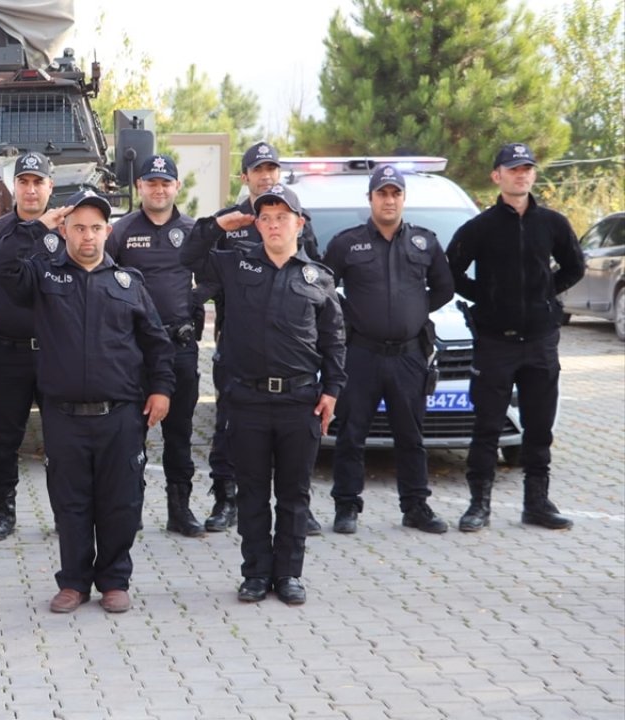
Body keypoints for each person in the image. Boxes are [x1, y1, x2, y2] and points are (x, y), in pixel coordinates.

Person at [0, 189, 175, 614]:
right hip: (64, 415)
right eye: (78, 227)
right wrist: (37, 227)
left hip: (121, 415)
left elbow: (157, 344)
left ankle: (114, 580)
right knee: (70, 503)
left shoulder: (128, 284)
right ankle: (73, 582)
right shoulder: (44, 276)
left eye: (95, 228)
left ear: (107, 232)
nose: (87, 236)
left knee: (120, 501)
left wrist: (161, 389)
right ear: (65, 231)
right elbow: (0, 265)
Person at [196, 184, 345, 605]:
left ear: (300, 223)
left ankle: (289, 575)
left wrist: (332, 391)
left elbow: (334, 341)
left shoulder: (318, 278)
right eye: (266, 217)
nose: (274, 224)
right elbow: (189, 255)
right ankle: (256, 574)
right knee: (254, 492)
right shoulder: (236, 266)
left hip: (300, 402)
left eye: (283, 217)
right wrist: (222, 224)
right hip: (248, 401)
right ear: (256, 224)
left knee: (295, 494)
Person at [181, 142, 324, 536]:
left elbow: (314, 277)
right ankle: (225, 500)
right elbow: (206, 275)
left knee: (292, 439)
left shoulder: (296, 220)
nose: (265, 176)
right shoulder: (233, 222)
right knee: (230, 427)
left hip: (288, 353)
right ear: (244, 177)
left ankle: (298, 508)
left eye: (271, 169)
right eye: (258, 170)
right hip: (238, 346)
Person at [446, 143, 584, 533]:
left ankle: (537, 503)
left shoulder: (553, 224)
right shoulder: (480, 227)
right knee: (487, 426)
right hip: (495, 342)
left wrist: (544, 296)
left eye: (527, 168)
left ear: (533, 175)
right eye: (512, 169)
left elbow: (576, 265)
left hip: (541, 340)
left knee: (539, 427)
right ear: (497, 176)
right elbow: (451, 270)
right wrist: (486, 297)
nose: (520, 174)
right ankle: (479, 505)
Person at [323, 165, 454, 534]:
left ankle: (415, 507)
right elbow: (323, 288)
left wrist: (414, 310)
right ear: (370, 198)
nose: (389, 199)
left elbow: (444, 287)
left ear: (403, 199)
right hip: (361, 355)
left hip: (409, 357)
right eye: (382, 193)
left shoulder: (425, 242)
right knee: (351, 434)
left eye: (395, 193)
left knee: (411, 435)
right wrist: (349, 316)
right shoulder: (346, 243)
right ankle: (346, 506)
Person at [106, 154, 203, 537]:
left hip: (179, 346)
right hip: (135, 349)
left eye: (166, 182)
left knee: (179, 432)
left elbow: (214, 278)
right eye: (151, 182)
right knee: (132, 434)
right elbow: (104, 280)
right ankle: (131, 510)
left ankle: (180, 511)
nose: (159, 189)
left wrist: (194, 305)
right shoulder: (122, 231)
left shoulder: (194, 231)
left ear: (176, 187)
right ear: (139, 187)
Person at [0, 151, 61, 541]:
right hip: (8, 351)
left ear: (49, 187)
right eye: (24, 181)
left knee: (63, 437)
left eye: (38, 181)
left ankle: (65, 512)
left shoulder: (67, 229)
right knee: (4, 438)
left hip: (58, 352)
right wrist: (3, 313)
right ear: (14, 186)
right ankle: (2, 512)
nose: (31, 188)